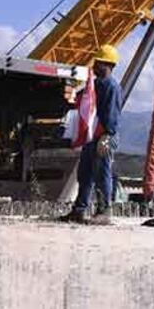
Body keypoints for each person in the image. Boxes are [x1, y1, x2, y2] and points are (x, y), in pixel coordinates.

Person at [60, 44, 122, 225]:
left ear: (108, 65)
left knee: (102, 173)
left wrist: (107, 136)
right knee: (85, 173)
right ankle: (79, 210)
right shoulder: (95, 85)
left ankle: (104, 211)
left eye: (98, 62)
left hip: (104, 137)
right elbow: (81, 100)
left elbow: (111, 115)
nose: (94, 66)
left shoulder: (111, 87)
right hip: (92, 137)